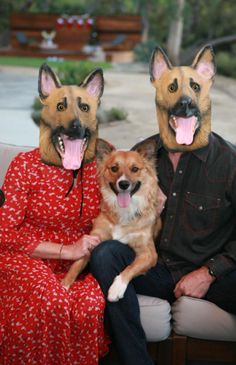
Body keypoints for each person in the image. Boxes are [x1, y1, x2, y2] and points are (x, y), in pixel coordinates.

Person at [90, 45, 236, 365]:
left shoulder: (229, 161)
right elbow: (112, 207)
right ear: (157, 88)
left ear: (207, 88)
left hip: (206, 272)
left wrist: (210, 272)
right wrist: (139, 210)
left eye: (193, 88)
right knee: (104, 256)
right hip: (153, 268)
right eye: (172, 88)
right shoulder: (140, 158)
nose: (184, 100)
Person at [0, 64, 109, 365]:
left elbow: (119, 215)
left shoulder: (100, 169)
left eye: (83, 107)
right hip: (25, 258)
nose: (72, 120)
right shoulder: (25, 165)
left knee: (89, 304)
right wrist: (66, 250)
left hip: (75, 266)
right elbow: (4, 233)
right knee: (52, 300)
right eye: (60, 107)